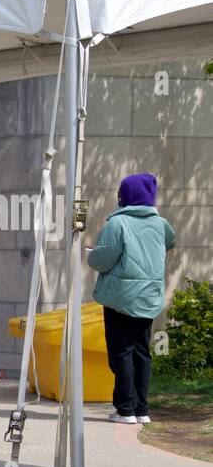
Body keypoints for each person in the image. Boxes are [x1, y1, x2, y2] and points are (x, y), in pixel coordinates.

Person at [87, 172, 176, 425]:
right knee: (142, 352)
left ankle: (125, 409)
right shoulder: (161, 224)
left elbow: (102, 261)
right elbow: (170, 242)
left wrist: (91, 254)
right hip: (148, 298)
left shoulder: (117, 224)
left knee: (121, 353)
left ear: (125, 196)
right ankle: (142, 410)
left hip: (120, 299)